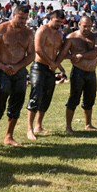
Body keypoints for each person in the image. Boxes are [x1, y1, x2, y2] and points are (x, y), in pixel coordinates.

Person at [0, 5, 35, 149]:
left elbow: (31, 54)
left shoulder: (28, 33)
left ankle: (9, 136)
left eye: (25, 19)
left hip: (19, 71)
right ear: (13, 15)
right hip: (2, 70)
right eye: (20, 18)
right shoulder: (1, 29)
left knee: (17, 104)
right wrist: (3, 67)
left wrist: (18, 67)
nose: (23, 21)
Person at [26, 9, 66, 140]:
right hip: (39, 67)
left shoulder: (60, 34)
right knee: (36, 96)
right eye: (57, 21)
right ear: (51, 18)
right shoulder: (42, 30)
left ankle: (39, 125)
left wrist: (59, 66)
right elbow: (38, 49)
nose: (59, 23)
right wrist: (51, 63)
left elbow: (58, 52)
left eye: (61, 22)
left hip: (51, 68)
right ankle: (29, 129)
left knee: (47, 97)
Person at [58, 15, 97, 133]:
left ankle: (88, 124)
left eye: (89, 26)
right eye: (84, 26)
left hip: (91, 72)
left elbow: (96, 52)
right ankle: (68, 127)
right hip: (78, 72)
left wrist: (81, 55)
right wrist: (71, 57)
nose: (87, 28)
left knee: (90, 99)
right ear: (79, 25)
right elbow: (62, 54)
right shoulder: (71, 38)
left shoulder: (96, 37)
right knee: (74, 98)